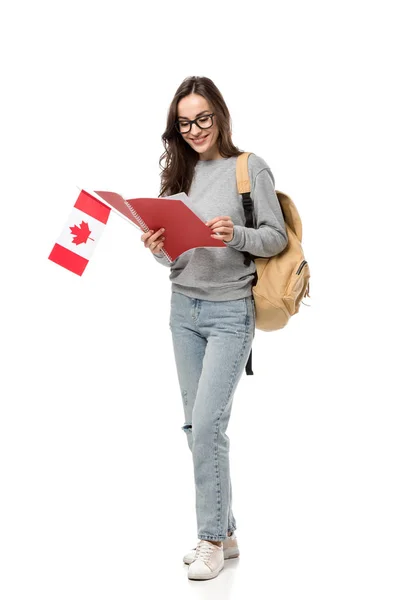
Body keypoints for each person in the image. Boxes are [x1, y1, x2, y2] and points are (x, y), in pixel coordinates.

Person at [141, 76, 288, 581]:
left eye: (203, 118)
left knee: (207, 427)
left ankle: (208, 538)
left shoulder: (250, 168)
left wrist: (237, 232)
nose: (195, 129)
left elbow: (275, 237)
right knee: (195, 427)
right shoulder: (180, 172)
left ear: (220, 115)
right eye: (185, 123)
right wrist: (159, 247)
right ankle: (224, 534)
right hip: (183, 311)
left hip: (230, 312)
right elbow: (174, 258)